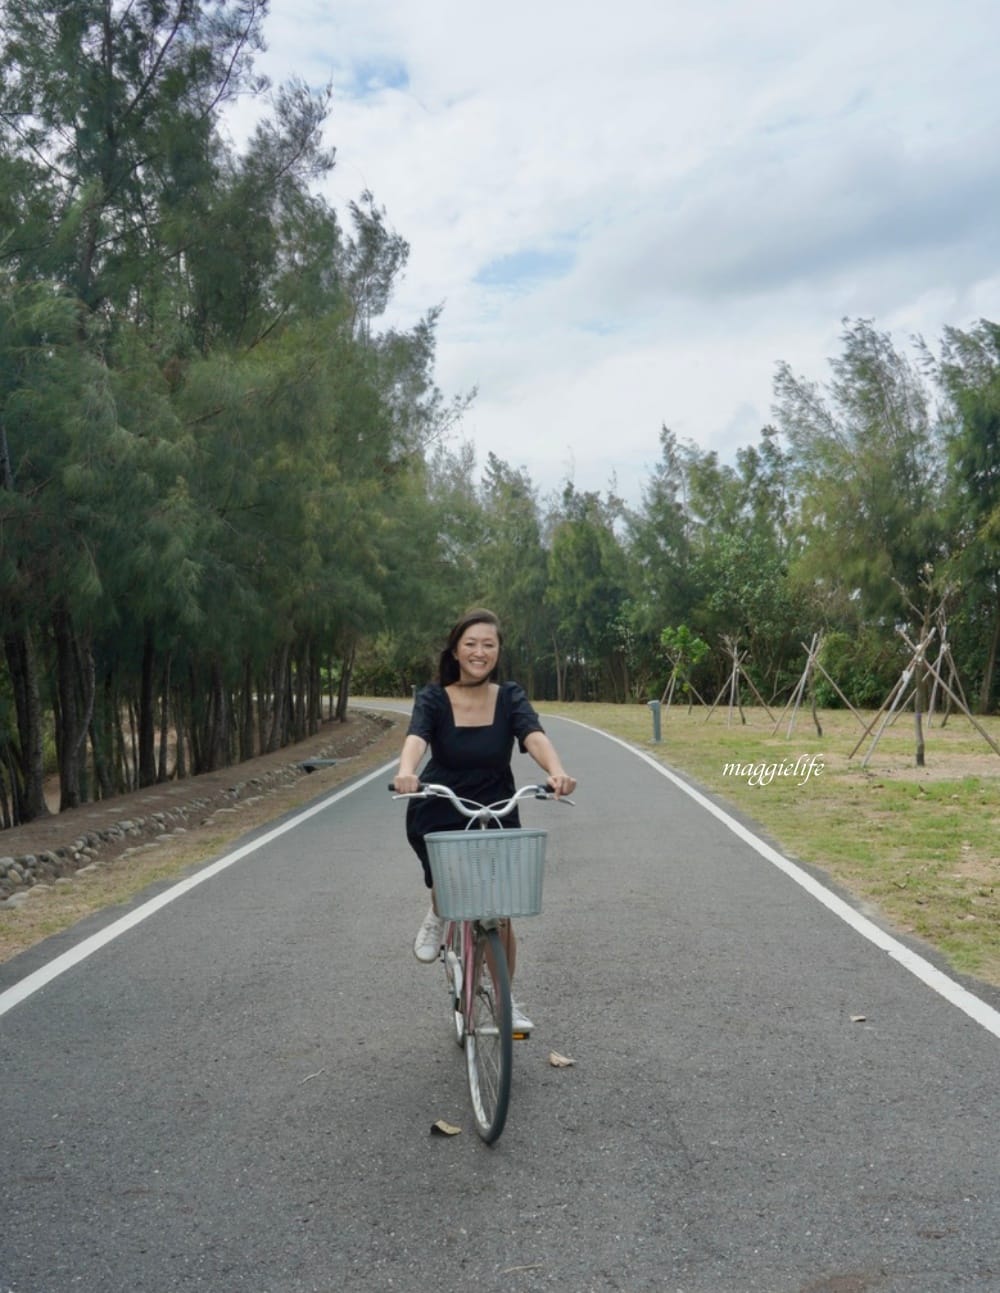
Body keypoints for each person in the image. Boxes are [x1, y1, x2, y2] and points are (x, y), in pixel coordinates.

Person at [392, 608, 577, 1032]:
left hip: (496, 802)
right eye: (471, 644)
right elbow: (417, 737)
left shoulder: (510, 696)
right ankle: (440, 908)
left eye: (488, 644)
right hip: (441, 800)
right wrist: (406, 771)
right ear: (456, 650)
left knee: (500, 910)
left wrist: (556, 770)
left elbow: (533, 735)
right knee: (451, 881)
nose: (479, 652)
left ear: (498, 651)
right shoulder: (434, 697)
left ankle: (506, 999)